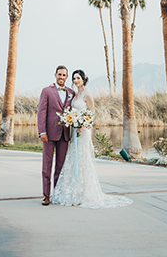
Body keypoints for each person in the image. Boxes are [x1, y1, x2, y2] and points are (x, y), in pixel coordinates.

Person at [51, 69, 132, 209]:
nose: (76, 81)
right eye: (74, 78)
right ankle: (73, 192)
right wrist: (72, 121)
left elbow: (92, 112)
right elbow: (71, 111)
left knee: (83, 158)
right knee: (73, 157)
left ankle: (84, 193)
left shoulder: (87, 94)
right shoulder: (74, 95)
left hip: (83, 131)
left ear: (83, 79)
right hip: (74, 130)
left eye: (78, 78)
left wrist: (84, 124)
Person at [37, 65, 75, 206]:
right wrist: (42, 132)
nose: (61, 77)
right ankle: (46, 195)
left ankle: (57, 195)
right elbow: (41, 112)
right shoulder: (47, 91)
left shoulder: (71, 93)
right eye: (59, 74)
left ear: (66, 77)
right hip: (49, 134)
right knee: (46, 166)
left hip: (65, 135)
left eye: (64, 75)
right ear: (55, 75)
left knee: (60, 167)